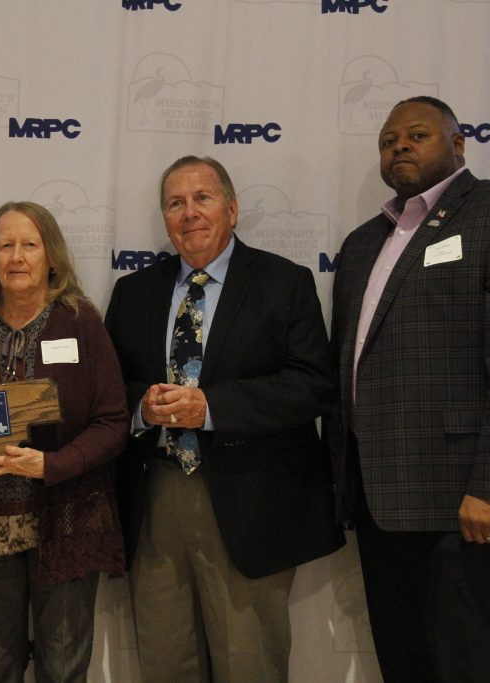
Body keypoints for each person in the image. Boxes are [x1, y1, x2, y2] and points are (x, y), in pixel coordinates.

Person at [327, 96, 490, 682]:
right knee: (404, 666)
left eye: (418, 135)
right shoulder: (364, 243)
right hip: (380, 502)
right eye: (389, 141)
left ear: (459, 144)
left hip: (467, 499)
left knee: (473, 670)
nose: (400, 147)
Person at [104, 156, 344, 682]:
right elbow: (105, 393)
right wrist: (142, 405)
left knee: (248, 662)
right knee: (166, 660)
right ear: (164, 218)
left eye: (202, 198)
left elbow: (313, 385)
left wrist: (211, 408)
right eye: (175, 203)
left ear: (232, 209)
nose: (189, 213)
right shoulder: (133, 292)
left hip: (251, 500)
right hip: (156, 497)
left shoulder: (285, 282)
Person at [0, 201, 128, 683]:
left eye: (29, 245)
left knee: (62, 668)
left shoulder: (80, 323)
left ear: (51, 257)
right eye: (5, 245)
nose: (17, 256)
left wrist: (50, 465)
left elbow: (113, 422)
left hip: (68, 515)